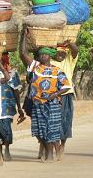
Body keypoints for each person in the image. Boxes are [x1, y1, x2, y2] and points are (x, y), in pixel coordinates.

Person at [19, 29, 71, 162]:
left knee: (51, 129)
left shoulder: (57, 70)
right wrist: (23, 35)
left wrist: (53, 96)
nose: (42, 56)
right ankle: (50, 152)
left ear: (50, 56)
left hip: (52, 104)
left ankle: (50, 155)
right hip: (37, 103)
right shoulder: (35, 67)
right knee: (38, 130)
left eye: (45, 54)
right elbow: (23, 53)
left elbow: (65, 87)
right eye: (41, 54)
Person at [0, 52, 26, 161]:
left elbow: (16, 91)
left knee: (6, 129)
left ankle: (6, 148)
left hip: (7, 107)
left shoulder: (12, 73)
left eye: (3, 57)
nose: (0, 60)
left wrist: (19, 107)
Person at [50, 40, 78, 157]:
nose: (61, 55)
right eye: (58, 52)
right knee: (53, 122)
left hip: (66, 95)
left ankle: (62, 145)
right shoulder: (50, 62)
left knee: (66, 121)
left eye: (63, 52)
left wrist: (69, 43)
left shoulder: (69, 61)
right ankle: (51, 148)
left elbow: (75, 50)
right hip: (53, 96)